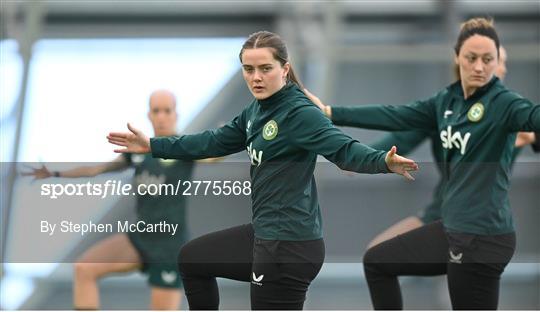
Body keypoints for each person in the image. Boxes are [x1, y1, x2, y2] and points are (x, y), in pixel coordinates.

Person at [106, 31, 419, 310]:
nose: (256, 76)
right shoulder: (256, 109)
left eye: (265, 68)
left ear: (284, 69)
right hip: (264, 235)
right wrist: (154, 145)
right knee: (193, 260)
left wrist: (383, 161)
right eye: (248, 69)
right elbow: (213, 141)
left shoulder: (299, 113)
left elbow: (344, 149)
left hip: (289, 246)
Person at [304, 18, 539, 309]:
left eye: (490, 60)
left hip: (481, 233)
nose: (481, 66)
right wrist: (329, 113)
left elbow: (532, 117)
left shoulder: (506, 104)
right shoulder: (447, 102)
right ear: (457, 57)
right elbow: (396, 115)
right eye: (472, 58)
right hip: (450, 222)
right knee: (377, 261)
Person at [306, 45, 537, 249]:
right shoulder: (442, 109)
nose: (503, 69)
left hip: (484, 223)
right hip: (443, 213)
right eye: (493, 61)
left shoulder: (512, 112)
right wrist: (357, 155)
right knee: (377, 254)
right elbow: (395, 122)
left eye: (497, 61)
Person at [24, 90, 192, 310]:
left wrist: (232, 139)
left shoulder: (185, 146)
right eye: (156, 111)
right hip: (140, 238)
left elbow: (213, 155)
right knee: (84, 269)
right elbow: (96, 170)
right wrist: (55, 173)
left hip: (169, 247)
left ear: (175, 114)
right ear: (149, 115)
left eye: (166, 111)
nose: (161, 116)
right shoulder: (139, 150)